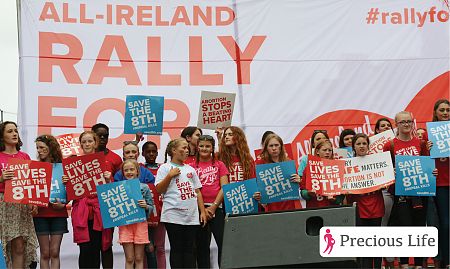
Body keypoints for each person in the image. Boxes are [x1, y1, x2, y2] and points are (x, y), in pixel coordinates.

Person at [382, 111, 436, 268]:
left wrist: (433, 172)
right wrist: (391, 172)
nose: (406, 124)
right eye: (402, 122)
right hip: (401, 194)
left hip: (420, 193)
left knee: (419, 227)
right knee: (404, 227)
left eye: (409, 121)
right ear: (396, 125)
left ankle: (419, 264)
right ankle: (404, 263)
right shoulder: (390, 145)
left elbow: (427, 164)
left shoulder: (420, 143)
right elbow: (384, 170)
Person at [62, 130, 112, 269]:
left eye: (90, 141)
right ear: (80, 145)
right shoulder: (73, 164)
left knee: (96, 249)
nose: (87, 144)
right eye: (84, 142)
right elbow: (68, 194)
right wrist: (66, 182)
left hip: (98, 211)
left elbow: (110, 191)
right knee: (84, 249)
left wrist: (108, 179)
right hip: (81, 212)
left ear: (95, 143)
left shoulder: (104, 163)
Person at [156, 138, 207, 268]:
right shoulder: (165, 168)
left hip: (191, 216)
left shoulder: (190, 169)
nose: (186, 150)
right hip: (173, 215)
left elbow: (198, 192)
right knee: (177, 249)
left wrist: (202, 212)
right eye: (183, 148)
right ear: (173, 150)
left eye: (187, 148)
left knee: (190, 249)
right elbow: (159, 189)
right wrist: (169, 176)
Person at [0, 121, 38, 268]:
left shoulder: (24, 156)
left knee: (20, 245)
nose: (14, 134)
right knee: (7, 246)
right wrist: (2, 178)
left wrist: (33, 202)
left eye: (15, 131)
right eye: (10, 131)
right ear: (2, 136)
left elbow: (31, 182)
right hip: (4, 204)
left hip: (22, 204)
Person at [189, 135, 229, 268]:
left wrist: (213, 207)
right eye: (201, 146)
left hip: (216, 209)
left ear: (212, 148)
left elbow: (225, 187)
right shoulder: (190, 167)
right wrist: (202, 210)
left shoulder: (220, 164)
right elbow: (191, 189)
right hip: (198, 211)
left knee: (223, 244)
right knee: (201, 247)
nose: (204, 148)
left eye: (207, 146)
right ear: (197, 147)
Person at [346, 133, 384, 269]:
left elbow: (386, 180)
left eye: (364, 143)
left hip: (376, 204)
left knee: (376, 241)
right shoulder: (346, 165)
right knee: (363, 242)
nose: (362, 146)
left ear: (368, 146)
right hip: (359, 207)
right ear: (353, 147)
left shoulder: (378, 162)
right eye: (358, 144)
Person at [34, 135, 68, 269]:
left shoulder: (63, 167)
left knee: (54, 252)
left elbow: (71, 191)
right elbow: (30, 191)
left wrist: (64, 204)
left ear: (51, 148)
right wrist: (33, 203)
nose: (39, 150)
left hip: (59, 213)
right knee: (45, 253)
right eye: (37, 148)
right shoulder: (35, 167)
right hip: (40, 214)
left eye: (42, 147)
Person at [91, 123, 122, 268]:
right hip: (90, 209)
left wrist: (110, 179)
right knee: (91, 247)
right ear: (93, 135)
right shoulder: (84, 157)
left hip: (108, 206)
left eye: (106, 135)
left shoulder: (115, 158)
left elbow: (120, 182)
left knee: (106, 244)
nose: (103, 138)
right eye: (99, 135)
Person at [119, 159, 154, 269]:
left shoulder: (144, 187)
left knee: (139, 258)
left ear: (137, 171)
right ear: (123, 173)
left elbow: (151, 206)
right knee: (129, 258)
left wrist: (146, 206)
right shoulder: (119, 187)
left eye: (131, 169)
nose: (129, 172)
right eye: (126, 170)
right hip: (125, 225)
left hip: (140, 225)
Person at [428, 99, 449, 268]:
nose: (445, 112)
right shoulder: (429, 135)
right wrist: (426, 148)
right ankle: (445, 260)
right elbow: (423, 161)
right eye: (442, 110)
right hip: (440, 183)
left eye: (448, 110)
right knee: (444, 222)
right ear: (435, 112)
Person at [256, 134, 301, 212]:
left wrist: (299, 180)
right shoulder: (260, 164)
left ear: (281, 147)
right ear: (266, 148)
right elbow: (257, 187)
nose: (274, 148)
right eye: (271, 146)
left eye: (276, 145)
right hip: (271, 208)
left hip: (289, 207)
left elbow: (298, 186)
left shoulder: (289, 162)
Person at [141, 141, 166, 269]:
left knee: (160, 247)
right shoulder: (140, 168)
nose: (151, 154)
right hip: (146, 213)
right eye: (148, 151)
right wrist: (136, 139)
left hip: (161, 211)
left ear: (157, 153)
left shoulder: (164, 167)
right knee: (147, 248)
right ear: (143, 153)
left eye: (153, 151)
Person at [300, 139, 344, 208]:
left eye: (330, 150)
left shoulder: (337, 168)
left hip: (332, 208)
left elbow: (341, 195)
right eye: (324, 150)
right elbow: (303, 192)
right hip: (314, 208)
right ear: (317, 151)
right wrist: (308, 193)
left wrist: (335, 200)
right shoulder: (309, 168)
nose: (327, 152)